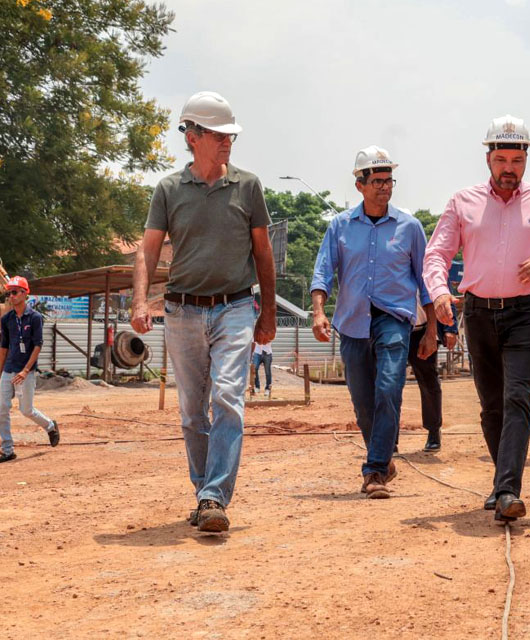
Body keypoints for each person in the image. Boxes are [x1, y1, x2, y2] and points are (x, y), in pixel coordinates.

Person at [132, 91, 276, 532]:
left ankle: (215, 494)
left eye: (230, 134)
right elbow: (148, 251)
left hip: (235, 306)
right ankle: (204, 495)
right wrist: (140, 300)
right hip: (182, 312)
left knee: (228, 396)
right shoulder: (169, 190)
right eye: (218, 134)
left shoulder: (248, 186)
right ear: (192, 136)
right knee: (193, 412)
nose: (227, 141)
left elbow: (263, 253)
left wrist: (267, 312)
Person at [423, 115, 530, 523]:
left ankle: (507, 490)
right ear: (488, 158)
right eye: (502, 159)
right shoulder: (462, 202)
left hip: (526, 313)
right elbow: (436, 254)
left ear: (526, 160)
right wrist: (438, 293)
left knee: (517, 397)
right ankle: (502, 479)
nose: (509, 168)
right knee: (491, 406)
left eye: (517, 160)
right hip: (479, 313)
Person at [311, 146, 434, 499]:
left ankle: (376, 470)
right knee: (363, 402)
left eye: (388, 180)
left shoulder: (410, 228)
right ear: (360, 185)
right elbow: (322, 271)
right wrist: (319, 312)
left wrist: (432, 331)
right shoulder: (340, 226)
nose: (384, 187)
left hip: (394, 320)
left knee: (389, 388)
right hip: (352, 322)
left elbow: (425, 281)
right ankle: (381, 456)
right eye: (377, 181)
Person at [0, 276, 60, 463]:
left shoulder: (34, 318)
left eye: (15, 292)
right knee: (1, 408)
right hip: (9, 369)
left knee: (26, 410)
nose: (11, 296)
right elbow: (4, 347)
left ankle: (50, 426)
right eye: (9, 292)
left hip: (25, 371)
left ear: (25, 294)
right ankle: (7, 449)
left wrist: (26, 370)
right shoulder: (7, 319)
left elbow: (37, 346)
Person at [407, 299, 457, 452]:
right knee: (390, 382)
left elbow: (444, 294)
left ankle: (434, 430)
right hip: (393, 326)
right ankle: (391, 438)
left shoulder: (429, 273)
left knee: (428, 381)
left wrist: (451, 327)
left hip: (424, 329)